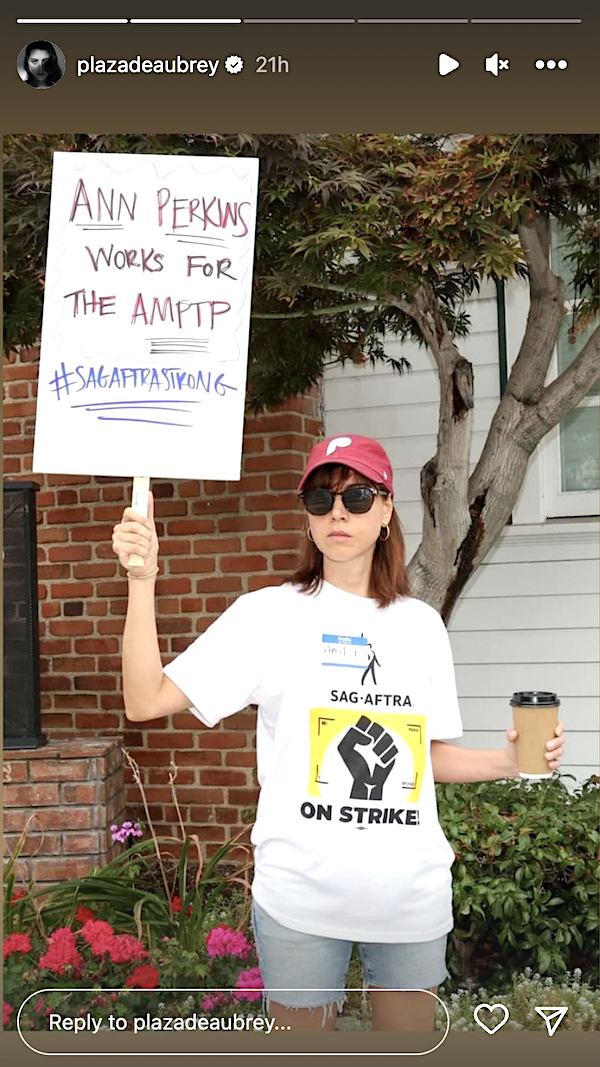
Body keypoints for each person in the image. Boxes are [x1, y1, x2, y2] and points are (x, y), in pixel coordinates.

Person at [112, 433, 565, 1032]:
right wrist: (142, 581)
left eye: (356, 497)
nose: (337, 514)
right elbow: (145, 700)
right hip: (301, 894)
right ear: (306, 516)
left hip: (408, 894)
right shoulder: (267, 614)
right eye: (320, 499)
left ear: (385, 511)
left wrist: (508, 762)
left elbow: (422, 757)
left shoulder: (422, 626)